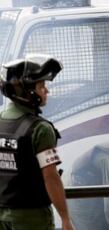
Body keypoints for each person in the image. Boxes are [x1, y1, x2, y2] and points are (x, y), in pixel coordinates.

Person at [0, 54, 74, 229]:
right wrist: (65, 218)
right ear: (28, 92)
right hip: (31, 218)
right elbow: (51, 176)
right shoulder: (41, 129)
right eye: (42, 86)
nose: (47, 91)